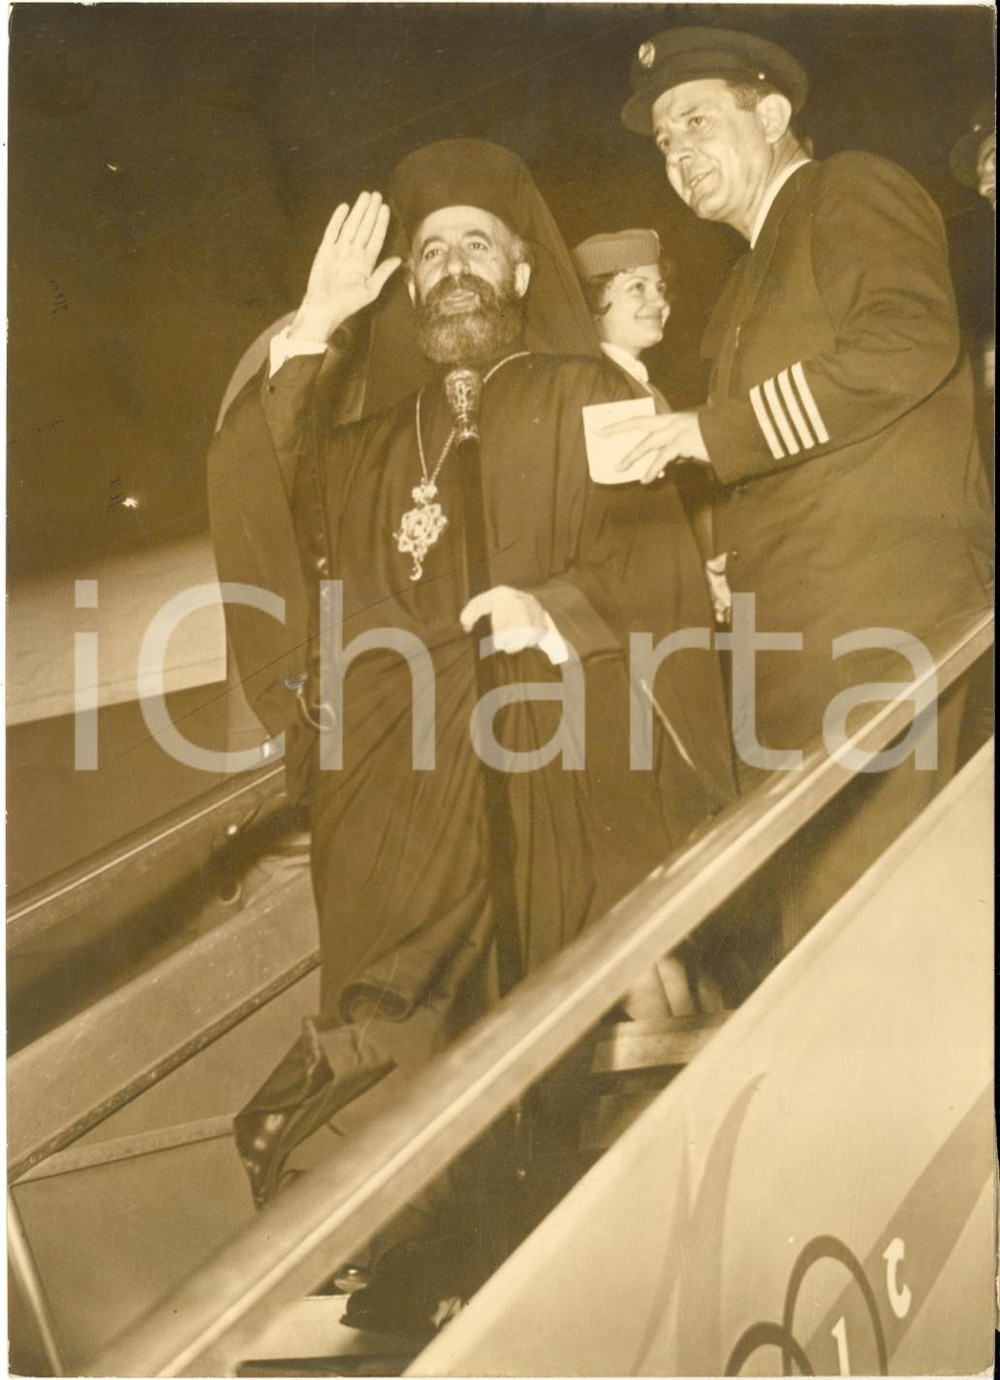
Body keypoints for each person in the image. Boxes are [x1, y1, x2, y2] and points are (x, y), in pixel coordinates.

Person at [208, 139, 734, 1325]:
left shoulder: (582, 390)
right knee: (399, 1011)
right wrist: (308, 329)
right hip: (398, 777)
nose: (451, 270)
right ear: (407, 288)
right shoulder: (368, 439)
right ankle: (411, 1260)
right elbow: (261, 493)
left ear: (516, 271)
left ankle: (524, 1277)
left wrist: (555, 609)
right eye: (431, 252)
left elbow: (653, 560)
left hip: (550, 755)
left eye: (475, 249)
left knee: (538, 1014)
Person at [604, 27, 992, 952]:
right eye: (663, 140)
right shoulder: (746, 279)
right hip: (800, 655)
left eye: (697, 119)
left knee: (870, 945)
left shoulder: (845, 191)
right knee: (828, 944)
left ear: (773, 115)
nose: (678, 152)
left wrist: (710, 428)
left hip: (882, 631)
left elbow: (907, 340)